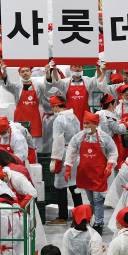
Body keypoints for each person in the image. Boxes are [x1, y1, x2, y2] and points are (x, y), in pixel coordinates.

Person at [64, 111, 118, 234]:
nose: (85, 126)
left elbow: (113, 152)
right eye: (84, 123)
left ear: (94, 124)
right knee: (91, 200)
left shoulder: (104, 137)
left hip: (99, 173)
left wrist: (109, 165)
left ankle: (99, 223)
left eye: (88, 124)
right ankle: (93, 220)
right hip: (85, 173)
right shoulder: (78, 137)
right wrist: (68, 167)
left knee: (98, 199)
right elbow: (71, 151)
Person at [46, 95, 83, 225]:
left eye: (53, 107)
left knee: (60, 186)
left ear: (56, 106)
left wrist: (54, 159)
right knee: (74, 185)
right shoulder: (74, 118)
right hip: (75, 154)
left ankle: (62, 217)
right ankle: (80, 216)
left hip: (64, 154)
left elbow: (58, 141)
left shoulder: (59, 120)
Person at [0, 64, 46, 141]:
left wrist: (48, 73)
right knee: (20, 140)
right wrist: (4, 72)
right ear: (19, 74)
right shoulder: (16, 87)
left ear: (31, 72)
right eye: (23, 71)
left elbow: (48, 86)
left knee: (35, 144)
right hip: (20, 118)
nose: (25, 73)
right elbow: (7, 85)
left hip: (35, 118)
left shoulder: (38, 86)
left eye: (27, 71)